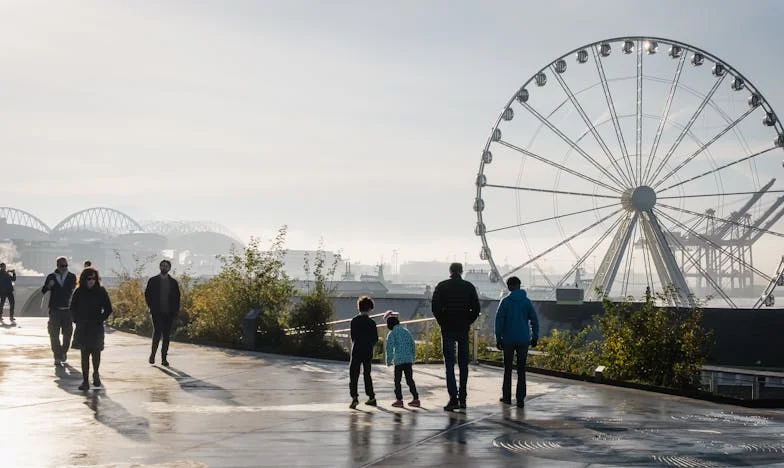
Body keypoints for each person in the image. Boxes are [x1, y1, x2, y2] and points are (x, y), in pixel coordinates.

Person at [432, 262, 480, 411]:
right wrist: (467, 321)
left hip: (447, 329)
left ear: (450, 271)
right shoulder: (469, 287)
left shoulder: (442, 286)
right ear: (461, 271)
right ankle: (463, 398)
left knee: (449, 364)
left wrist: (443, 322)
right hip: (463, 329)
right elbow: (476, 309)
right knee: (463, 364)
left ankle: (453, 398)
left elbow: (435, 308)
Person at [494, 276, 539, 408]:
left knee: (507, 369)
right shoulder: (527, 302)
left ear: (509, 287)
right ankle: (520, 399)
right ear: (519, 285)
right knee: (521, 370)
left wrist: (498, 338)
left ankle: (507, 397)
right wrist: (534, 336)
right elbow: (534, 320)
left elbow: (499, 321)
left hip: (508, 340)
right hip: (523, 340)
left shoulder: (505, 302)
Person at [70, 267, 113, 391]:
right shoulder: (79, 291)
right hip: (83, 326)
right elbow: (72, 307)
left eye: (93, 278)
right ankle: (85, 380)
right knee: (84, 354)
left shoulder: (101, 291)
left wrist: (100, 319)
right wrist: (76, 319)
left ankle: (96, 373)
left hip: (96, 327)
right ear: (84, 279)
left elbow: (108, 308)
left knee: (96, 352)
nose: (91, 281)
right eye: (89, 278)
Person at [144, 259, 181, 366]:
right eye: (162, 265)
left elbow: (177, 298)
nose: (164, 267)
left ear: (169, 268)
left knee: (166, 336)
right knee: (157, 333)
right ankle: (152, 355)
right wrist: (150, 306)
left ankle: (164, 358)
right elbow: (147, 294)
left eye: (166, 266)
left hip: (169, 313)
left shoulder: (173, 282)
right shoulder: (153, 280)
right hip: (156, 312)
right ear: (160, 267)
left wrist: (176, 311)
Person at [42, 257, 77, 366]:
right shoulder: (51, 277)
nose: (64, 268)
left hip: (67, 310)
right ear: (57, 266)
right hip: (54, 310)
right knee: (54, 334)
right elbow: (43, 291)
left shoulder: (71, 277)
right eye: (62, 266)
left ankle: (63, 352)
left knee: (67, 334)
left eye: (66, 266)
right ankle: (57, 356)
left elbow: (73, 289)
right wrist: (49, 286)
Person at [384, 311, 420, 408]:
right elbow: (412, 344)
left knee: (397, 381)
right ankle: (416, 398)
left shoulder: (392, 333)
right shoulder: (406, 331)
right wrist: (413, 357)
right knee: (409, 380)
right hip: (408, 360)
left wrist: (389, 360)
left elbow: (389, 348)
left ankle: (399, 400)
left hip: (399, 361)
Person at [349, 296, 378, 409]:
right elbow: (375, 338)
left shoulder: (354, 321)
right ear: (370, 308)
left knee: (354, 375)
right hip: (368, 350)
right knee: (367, 374)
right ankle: (371, 397)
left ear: (358, 308)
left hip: (356, 350)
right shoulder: (372, 322)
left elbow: (353, 337)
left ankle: (355, 398)